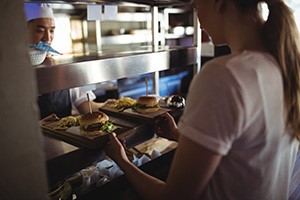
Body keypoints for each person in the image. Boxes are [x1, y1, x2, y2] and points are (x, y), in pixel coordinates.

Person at [105, 0, 300, 199]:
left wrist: (122, 162)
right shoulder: (283, 66)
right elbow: (247, 157)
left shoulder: (224, 75)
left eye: (197, 6)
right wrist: (179, 136)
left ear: (218, 3)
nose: (198, 20)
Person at [24, 3, 112, 119]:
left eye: (51, 31)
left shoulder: (62, 67)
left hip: (64, 135)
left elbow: (84, 105)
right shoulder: (12, 69)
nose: (47, 38)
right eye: (40, 30)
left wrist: (107, 106)